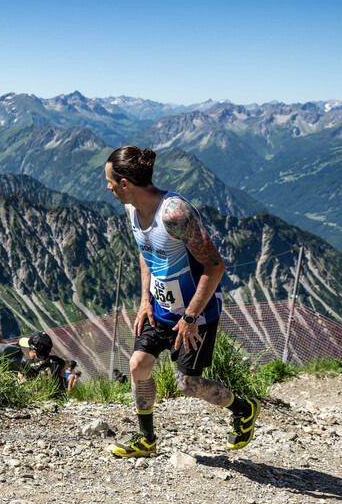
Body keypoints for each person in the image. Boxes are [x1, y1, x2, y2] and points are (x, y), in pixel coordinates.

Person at [104, 146, 260, 457]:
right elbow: (145, 251)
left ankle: (243, 409)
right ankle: (146, 439)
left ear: (125, 183)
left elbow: (215, 266)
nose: (107, 187)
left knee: (187, 384)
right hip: (159, 308)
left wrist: (189, 318)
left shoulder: (176, 214)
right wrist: (145, 300)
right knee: (138, 365)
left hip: (195, 316)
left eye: (109, 180)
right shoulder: (131, 208)